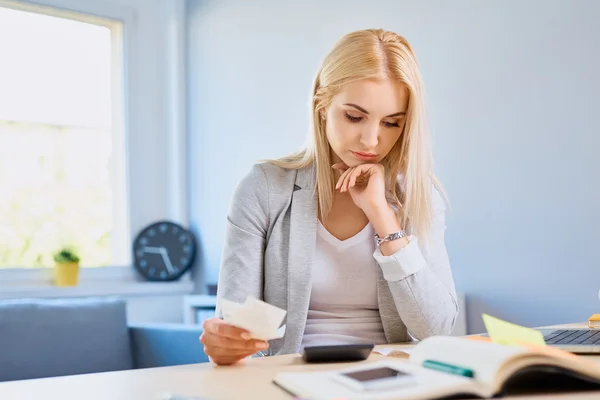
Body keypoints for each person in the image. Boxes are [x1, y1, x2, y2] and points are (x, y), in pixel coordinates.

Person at [200, 28, 459, 366]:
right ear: (322, 105)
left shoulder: (417, 196)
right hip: (286, 377)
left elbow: (435, 330)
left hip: (387, 379)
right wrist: (226, 344)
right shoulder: (263, 188)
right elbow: (235, 325)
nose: (371, 141)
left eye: (391, 123)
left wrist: (383, 215)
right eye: (355, 116)